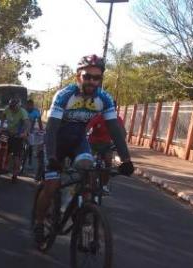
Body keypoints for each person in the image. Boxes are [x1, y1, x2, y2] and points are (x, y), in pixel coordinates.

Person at [33, 54, 134, 244]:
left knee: (88, 178)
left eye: (97, 78)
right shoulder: (64, 95)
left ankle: (84, 215)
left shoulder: (104, 99)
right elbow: (52, 129)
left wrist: (126, 160)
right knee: (51, 186)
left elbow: (116, 131)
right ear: (78, 76)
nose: (92, 81)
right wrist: (53, 156)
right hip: (57, 141)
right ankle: (39, 222)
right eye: (87, 76)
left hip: (79, 141)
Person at [86, 108, 126, 193]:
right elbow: (88, 127)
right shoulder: (98, 117)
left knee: (108, 164)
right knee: (89, 163)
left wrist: (118, 143)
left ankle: (104, 185)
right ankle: (86, 183)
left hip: (108, 145)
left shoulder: (117, 119)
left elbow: (123, 132)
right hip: (94, 144)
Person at [1, 97, 29, 181]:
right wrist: (1, 127)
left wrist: (25, 133)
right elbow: (3, 116)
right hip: (9, 132)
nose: (12, 109)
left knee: (16, 156)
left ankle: (15, 174)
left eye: (14, 107)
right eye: (11, 107)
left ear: (18, 106)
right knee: (5, 151)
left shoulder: (22, 112)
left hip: (18, 135)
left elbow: (27, 123)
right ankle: (4, 166)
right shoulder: (7, 109)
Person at [24, 99, 43, 169]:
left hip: (31, 131)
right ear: (26, 105)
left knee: (30, 147)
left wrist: (41, 131)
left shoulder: (36, 112)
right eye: (28, 105)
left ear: (32, 106)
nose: (29, 107)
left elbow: (40, 122)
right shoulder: (24, 110)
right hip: (22, 131)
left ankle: (29, 161)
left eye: (31, 106)